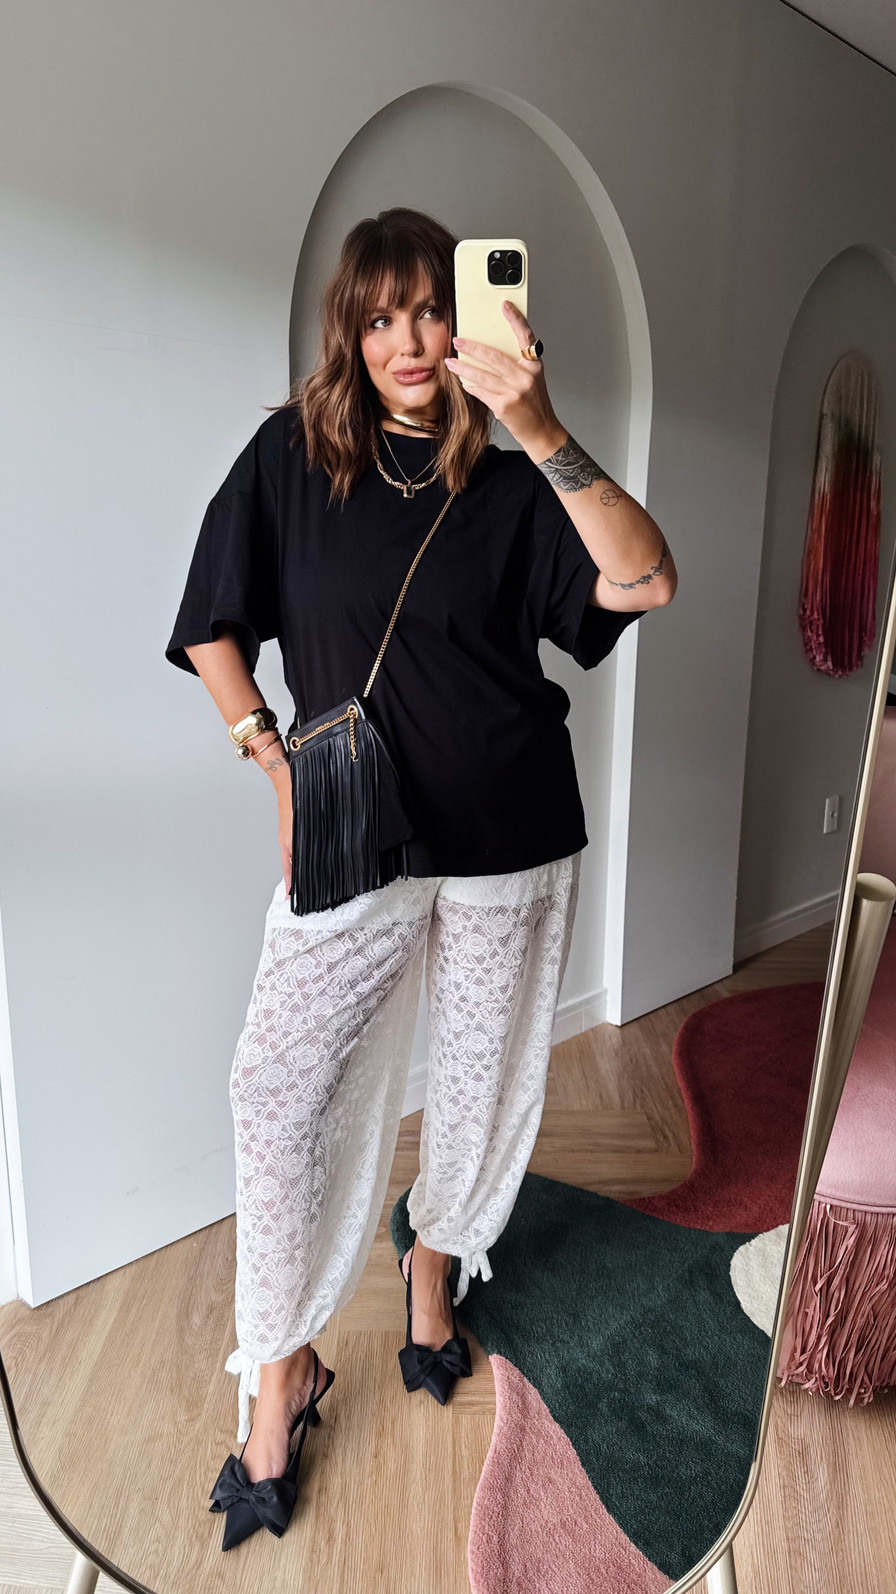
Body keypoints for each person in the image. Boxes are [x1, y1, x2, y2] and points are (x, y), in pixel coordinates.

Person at [165, 206, 677, 1550]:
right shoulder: (293, 460)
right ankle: (281, 1371)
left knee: (478, 1072)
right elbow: (211, 621)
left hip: (510, 830)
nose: (406, 340)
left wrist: (543, 427)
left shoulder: (513, 485)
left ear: (468, 324)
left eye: (430, 311)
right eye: (380, 315)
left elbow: (645, 579)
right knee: (276, 1091)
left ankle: (433, 1270)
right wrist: (275, 765)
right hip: (356, 832)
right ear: (351, 329)